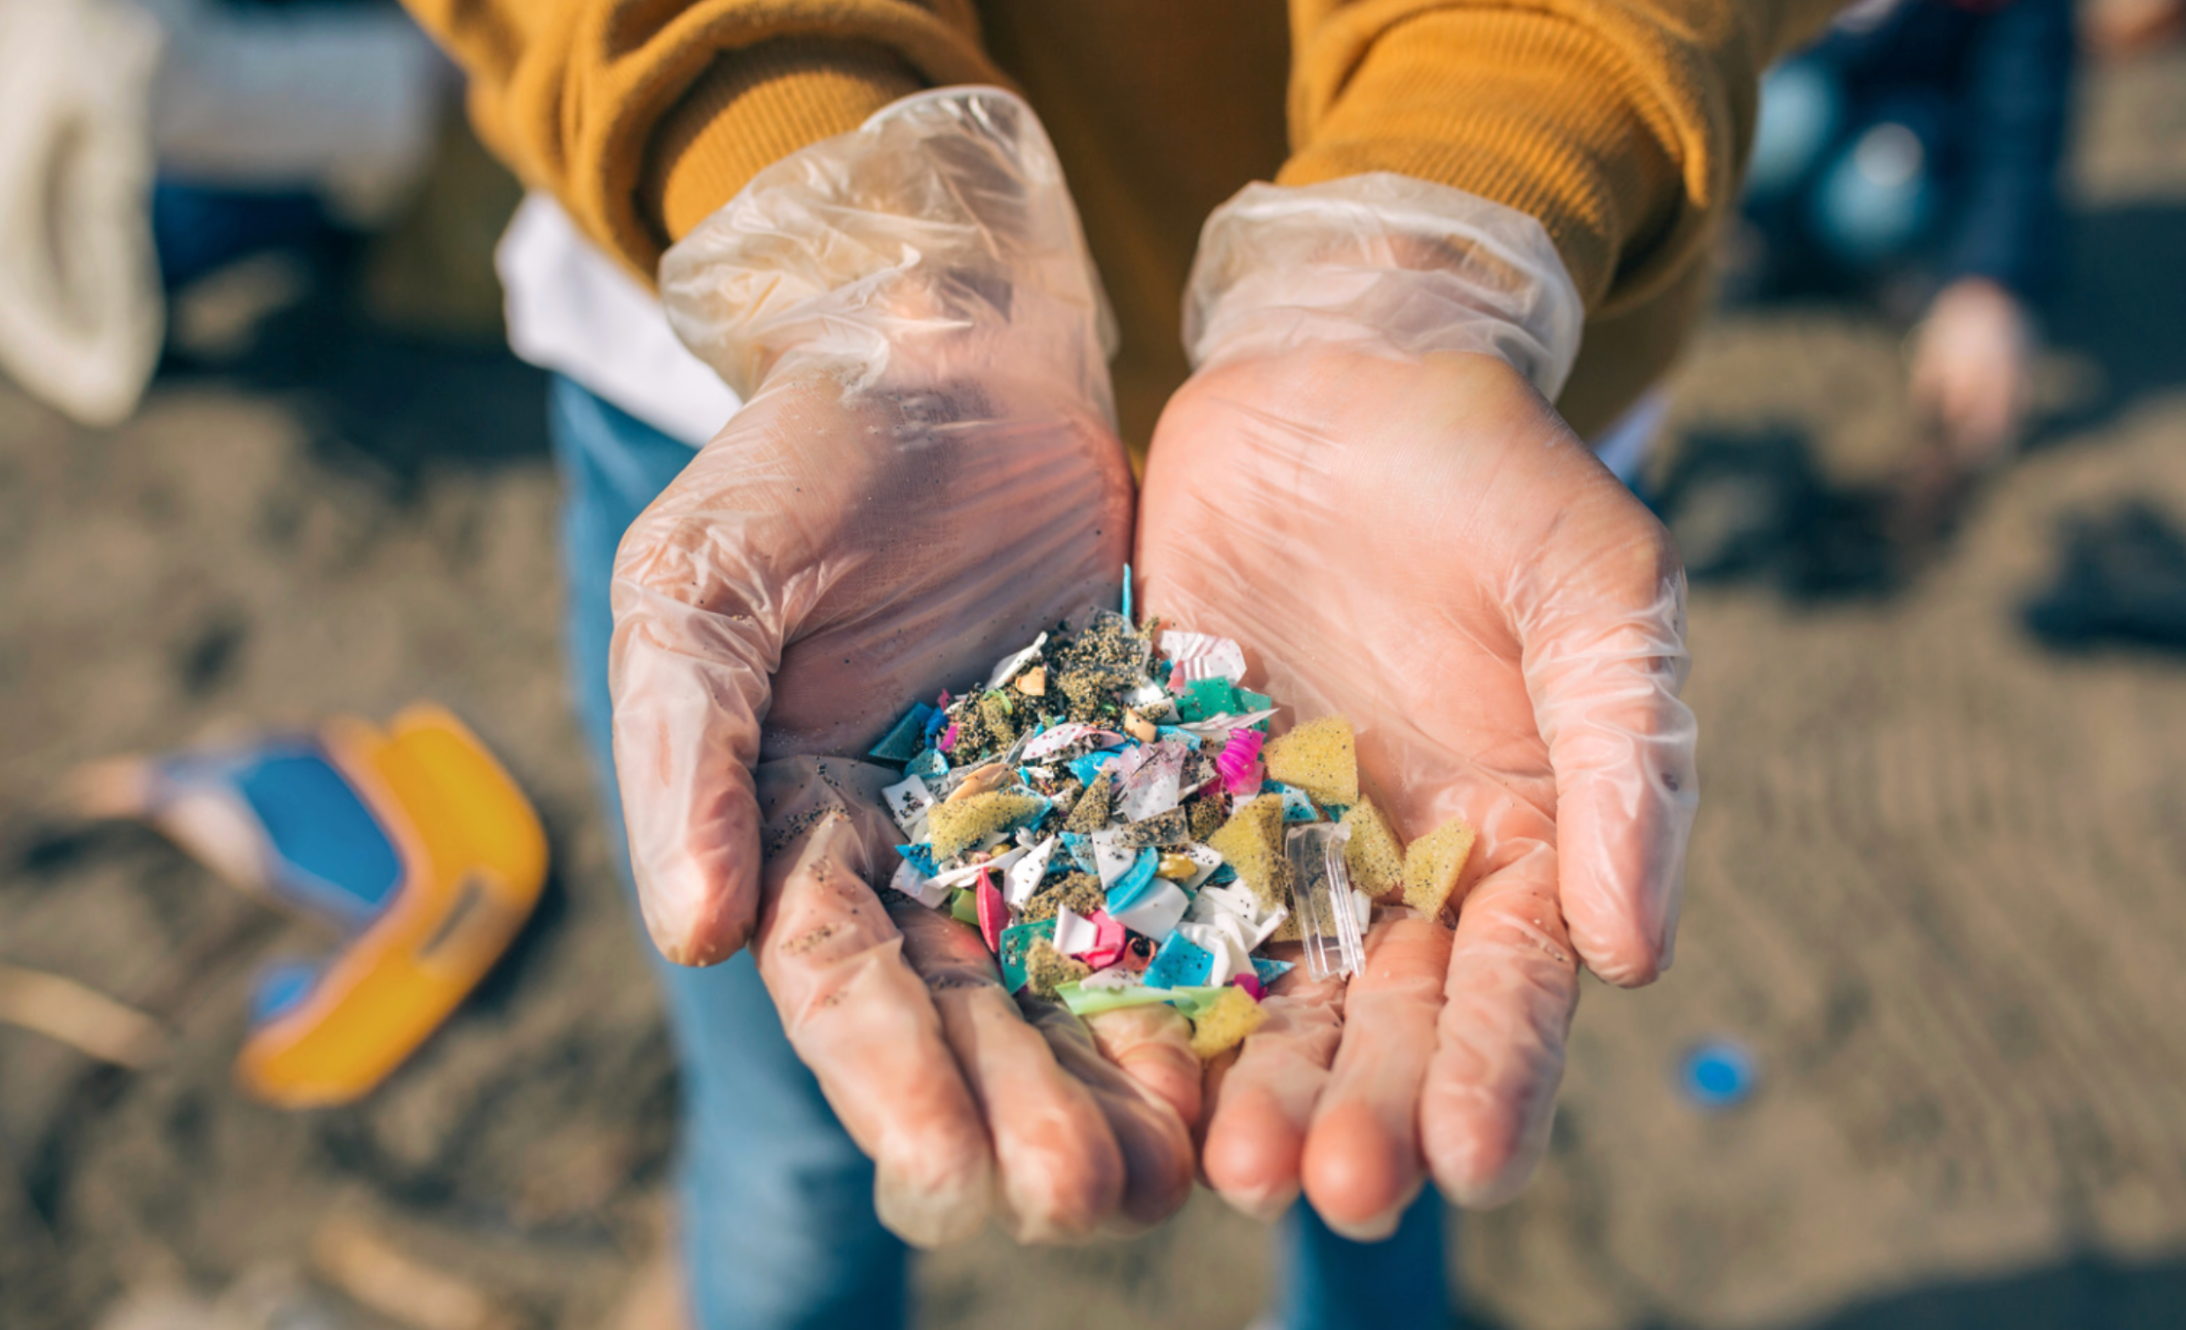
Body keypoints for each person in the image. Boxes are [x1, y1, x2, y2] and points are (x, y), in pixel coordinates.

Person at [396, 3, 1839, 1327]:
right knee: (794, 1132)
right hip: (794, 377)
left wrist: (1437, 245)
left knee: (1374, 1122)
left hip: (1450, 412)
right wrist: (825, 230)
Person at [1735, 0, 2076, 481]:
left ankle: (1845, 265)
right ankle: (1751, 236)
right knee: (1783, 116)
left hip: (1908, 134)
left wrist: (1987, 283)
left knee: (1875, 197)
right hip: (1799, 93)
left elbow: (2022, 126)